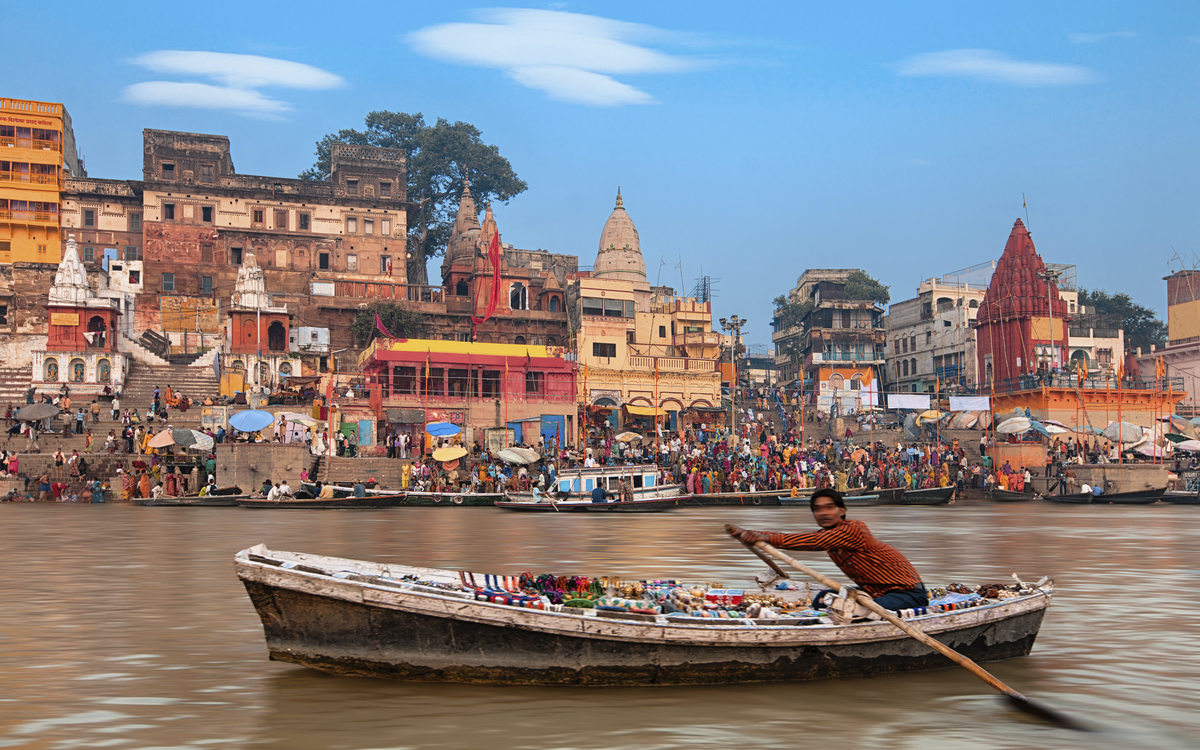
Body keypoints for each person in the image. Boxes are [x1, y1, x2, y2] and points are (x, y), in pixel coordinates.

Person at [728, 488, 929, 612]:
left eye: (829, 508)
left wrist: (760, 536)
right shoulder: (828, 536)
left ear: (841, 511)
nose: (823, 513)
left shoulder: (852, 530)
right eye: (817, 509)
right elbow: (808, 539)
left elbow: (811, 541)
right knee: (822, 599)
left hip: (907, 593)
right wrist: (751, 534)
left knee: (855, 611)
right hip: (874, 592)